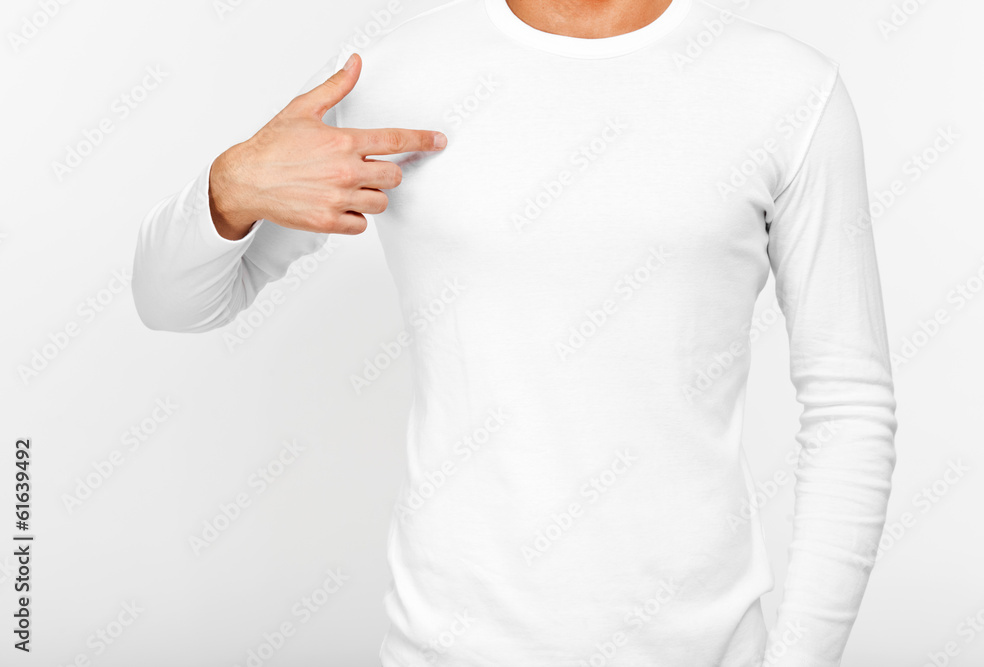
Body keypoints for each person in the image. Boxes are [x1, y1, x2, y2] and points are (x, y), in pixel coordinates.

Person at [131, 0, 898, 665]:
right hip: (446, 648)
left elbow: (849, 402)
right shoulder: (395, 75)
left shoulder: (788, 89)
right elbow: (173, 302)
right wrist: (228, 185)